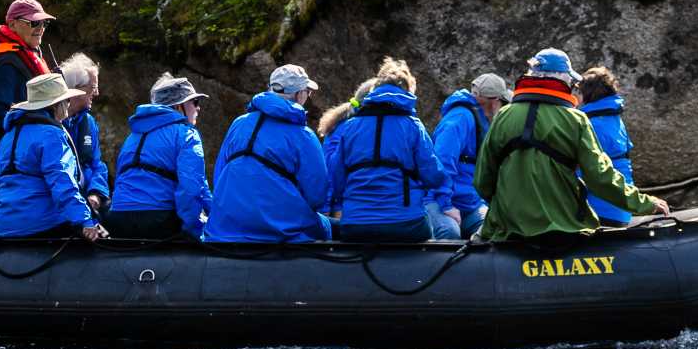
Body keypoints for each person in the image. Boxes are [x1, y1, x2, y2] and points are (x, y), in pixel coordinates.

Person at [475, 48, 669, 241]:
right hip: (563, 229)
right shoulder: (577, 120)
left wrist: (506, 209)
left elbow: (483, 180)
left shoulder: (503, 116)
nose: (573, 86)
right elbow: (600, 178)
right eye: (571, 81)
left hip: (508, 230)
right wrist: (646, 203)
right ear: (562, 80)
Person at [326, 57, 455, 244]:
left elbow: (337, 180)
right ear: (407, 91)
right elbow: (434, 176)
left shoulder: (349, 127)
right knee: (434, 230)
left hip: (356, 224)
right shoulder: (413, 126)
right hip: (406, 223)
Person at [206, 64, 333, 244]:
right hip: (279, 231)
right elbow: (317, 197)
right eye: (308, 92)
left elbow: (219, 177)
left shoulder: (238, 124)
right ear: (299, 94)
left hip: (225, 227)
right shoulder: (303, 135)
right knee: (329, 226)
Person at [0, 72, 108, 242]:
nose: (68, 105)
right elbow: (62, 182)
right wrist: (86, 221)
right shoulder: (52, 135)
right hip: (41, 224)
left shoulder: (7, 137)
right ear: (55, 106)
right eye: (66, 101)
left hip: (4, 226)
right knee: (102, 232)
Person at [108, 75, 210, 240]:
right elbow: (191, 189)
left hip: (118, 218)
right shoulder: (187, 134)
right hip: (158, 220)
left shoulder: (132, 137)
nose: (198, 108)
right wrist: (196, 232)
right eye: (195, 102)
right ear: (179, 107)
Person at [0, 0, 55, 165]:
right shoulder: (6, 62)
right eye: (34, 23)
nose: (41, 28)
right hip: (13, 160)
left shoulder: (27, 55)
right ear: (12, 25)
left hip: (33, 155)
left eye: (44, 23)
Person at [432, 72, 508, 238]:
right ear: (495, 101)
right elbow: (442, 161)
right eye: (503, 102)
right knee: (449, 232)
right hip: (440, 200)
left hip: (469, 203)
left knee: (497, 229)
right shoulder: (460, 118)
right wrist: (446, 205)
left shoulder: (481, 119)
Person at [573, 66, 637, 225]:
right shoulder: (613, 118)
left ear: (586, 94)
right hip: (620, 209)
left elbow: (589, 171)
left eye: (578, 91)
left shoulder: (592, 124)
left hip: (600, 211)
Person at [58, 52, 110, 216]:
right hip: (66, 200)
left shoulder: (88, 122)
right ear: (75, 90)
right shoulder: (52, 123)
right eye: (93, 87)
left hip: (89, 196)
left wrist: (95, 193)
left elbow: (97, 164)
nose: (97, 93)